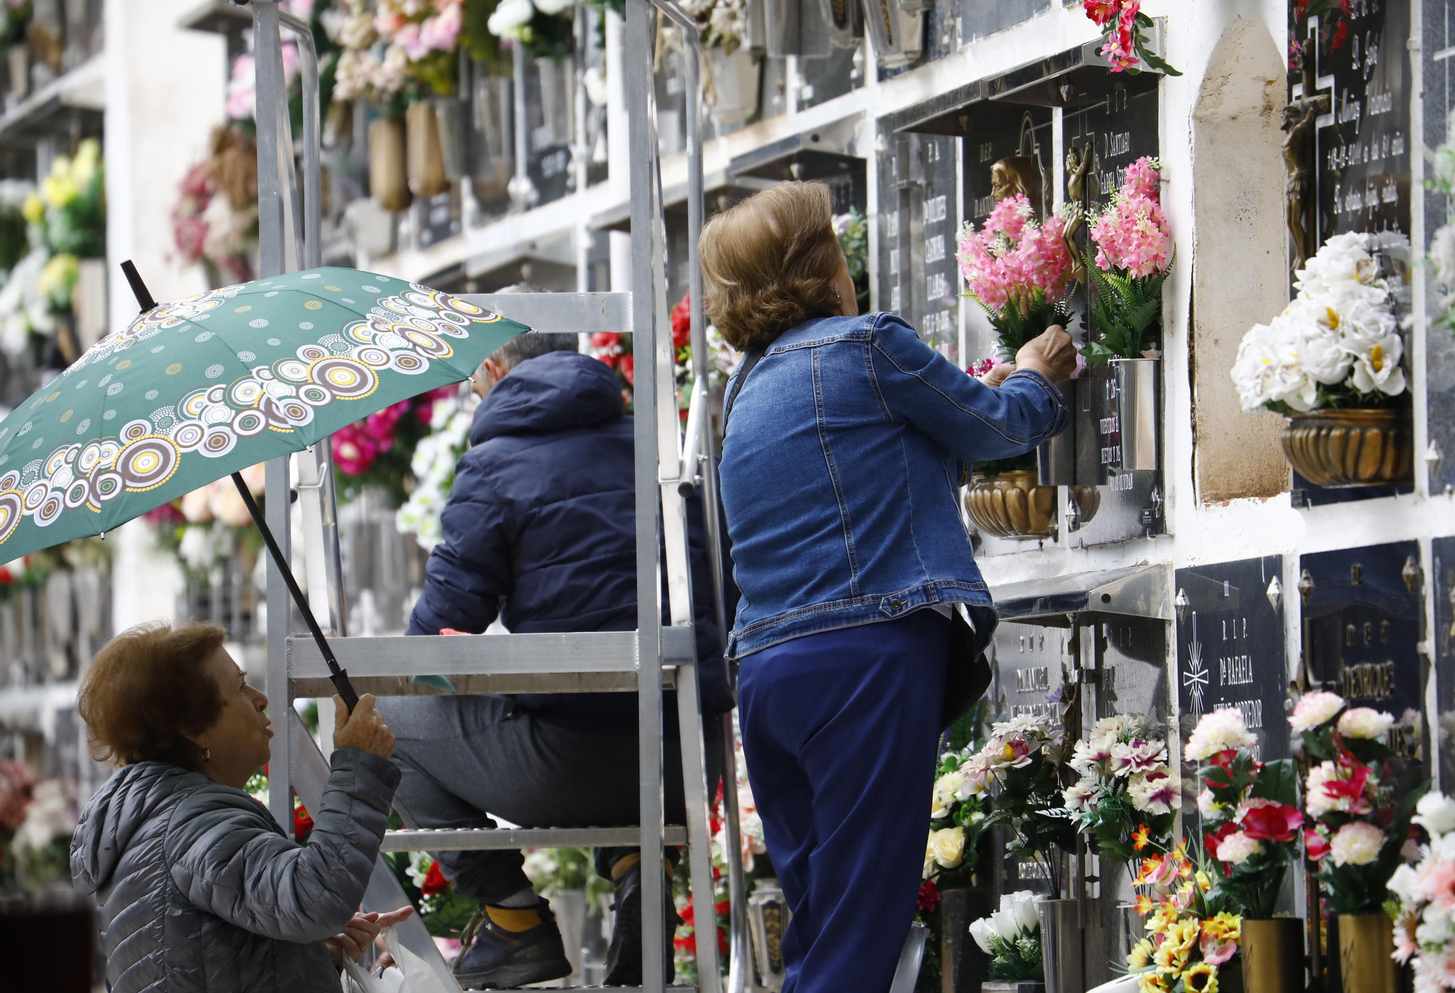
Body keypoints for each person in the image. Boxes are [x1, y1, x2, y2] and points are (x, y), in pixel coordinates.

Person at [701, 182, 1077, 993]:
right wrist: (1036, 371)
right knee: (861, 928)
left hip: (768, 674)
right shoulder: (868, 346)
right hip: (863, 656)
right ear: (824, 267)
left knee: (821, 926)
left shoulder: (744, 387)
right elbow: (1000, 427)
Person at [378, 286, 735, 990]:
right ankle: (637, 869)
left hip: (573, 767)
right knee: (619, 677)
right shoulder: (657, 448)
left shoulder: (495, 465)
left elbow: (438, 639)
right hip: (685, 761)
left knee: (386, 719)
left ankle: (516, 927)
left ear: (493, 368)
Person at [70, 621, 409, 993]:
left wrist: (301, 955)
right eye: (239, 687)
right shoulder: (189, 823)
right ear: (194, 729)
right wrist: (358, 766)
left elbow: (201, 956)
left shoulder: (160, 819)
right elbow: (313, 897)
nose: (260, 697)